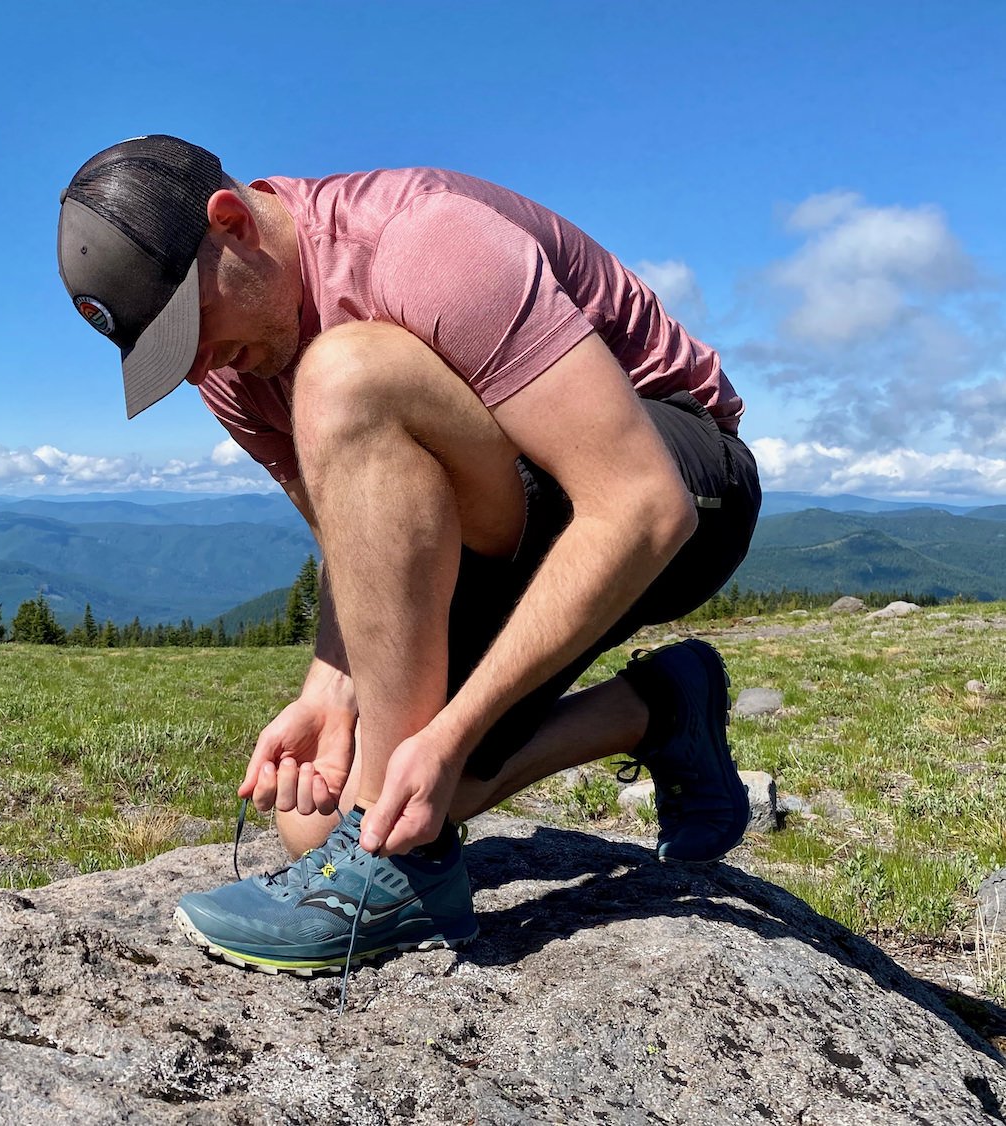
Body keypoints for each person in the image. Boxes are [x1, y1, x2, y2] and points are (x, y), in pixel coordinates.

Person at [56, 135, 761, 979]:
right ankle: (656, 708)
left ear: (232, 221)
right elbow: (350, 530)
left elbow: (643, 505)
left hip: (674, 478)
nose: (201, 366)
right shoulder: (231, 367)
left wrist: (451, 733)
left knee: (347, 374)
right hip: (505, 513)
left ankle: (403, 876)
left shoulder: (421, 243)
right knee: (323, 817)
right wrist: (329, 687)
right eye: (168, 354)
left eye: (191, 327)